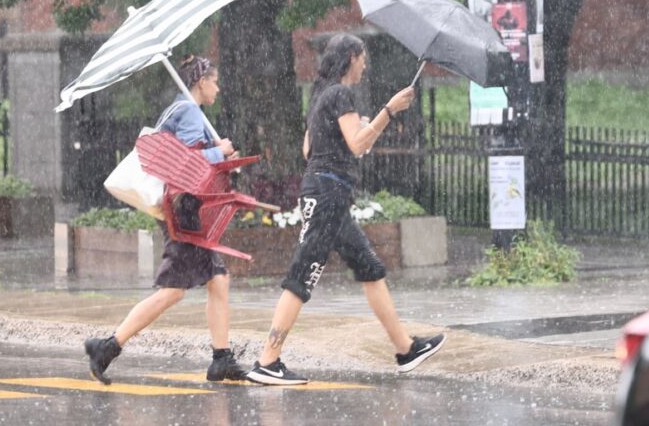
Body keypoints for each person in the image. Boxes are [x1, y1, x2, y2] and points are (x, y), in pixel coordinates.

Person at [246, 34, 446, 385]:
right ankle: (267, 360)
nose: (365, 64)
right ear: (351, 58)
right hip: (328, 195)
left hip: (326, 192)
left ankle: (405, 349)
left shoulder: (321, 95)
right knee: (302, 274)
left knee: (370, 266)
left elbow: (311, 149)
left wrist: (358, 128)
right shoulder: (340, 94)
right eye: (362, 58)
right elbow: (357, 144)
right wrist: (388, 111)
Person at [84, 55, 244, 385]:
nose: (219, 87)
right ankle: (107, 347)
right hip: (183, 212)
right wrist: (219, 153)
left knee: (218, 279)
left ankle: (221, 358)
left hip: (185, 210)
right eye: (214, 80)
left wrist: (221, 156)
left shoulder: (185, 111)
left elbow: (191, 160)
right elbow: (181, 164)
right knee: (173, 291)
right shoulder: (187, 111)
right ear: (201, 82)